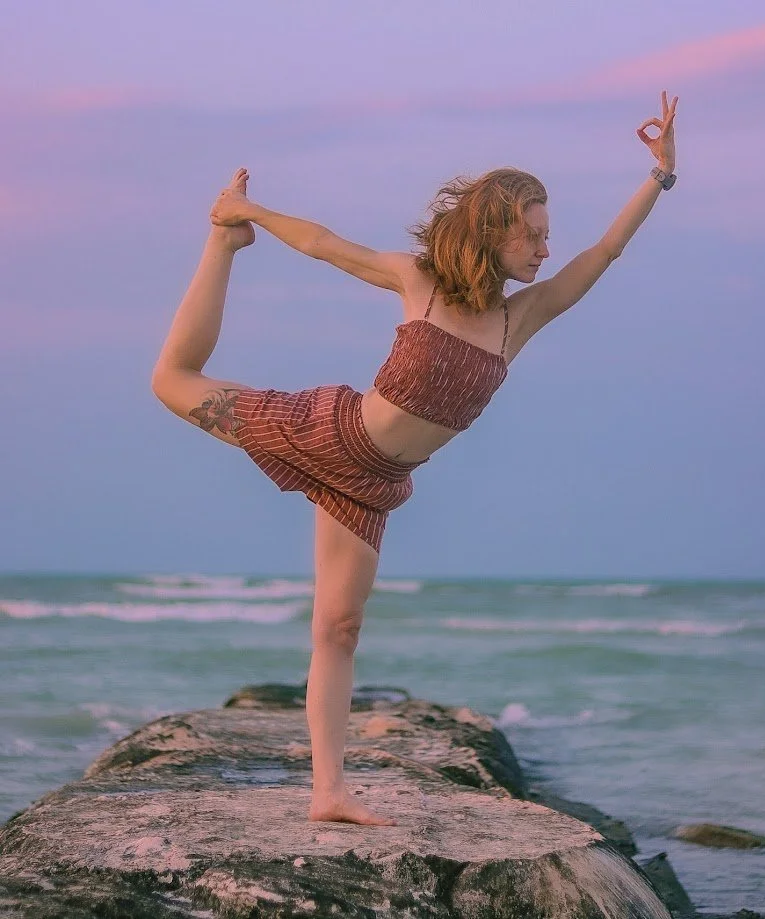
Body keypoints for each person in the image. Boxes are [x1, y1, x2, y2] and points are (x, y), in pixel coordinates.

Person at [151, 91, 678, 826]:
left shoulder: (515, 318)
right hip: (328, 433)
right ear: (495, 229)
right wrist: (248, 214)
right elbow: (324, 243)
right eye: (534, 235)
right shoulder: (419, 283)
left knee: (339, 628)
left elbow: (604, 253)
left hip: (373, 484)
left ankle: (328, 791)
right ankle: (219, 244)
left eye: (547, 236)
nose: (546, 249)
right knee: (171, 381)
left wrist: (659, 177)